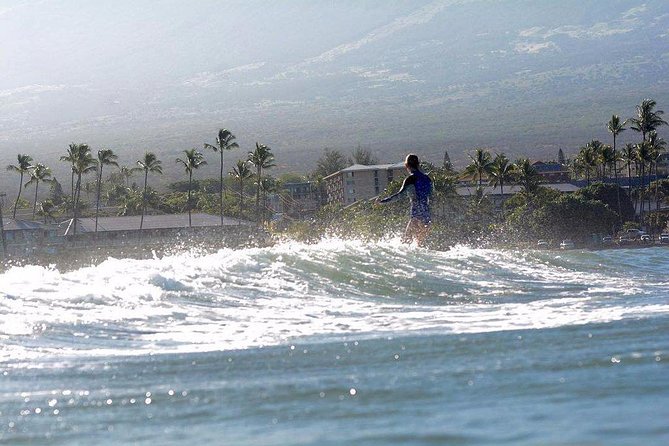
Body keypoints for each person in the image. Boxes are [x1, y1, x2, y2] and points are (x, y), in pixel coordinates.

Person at [376, 153, 432, 245]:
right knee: (419, 245)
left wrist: (382, 202)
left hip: (416, 217)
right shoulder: (428, 179)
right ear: (418, 164)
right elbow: (431, 196)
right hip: (427, 217)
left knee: (406, 242)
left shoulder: (410, 179)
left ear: (406, 166)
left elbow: (399, 196)